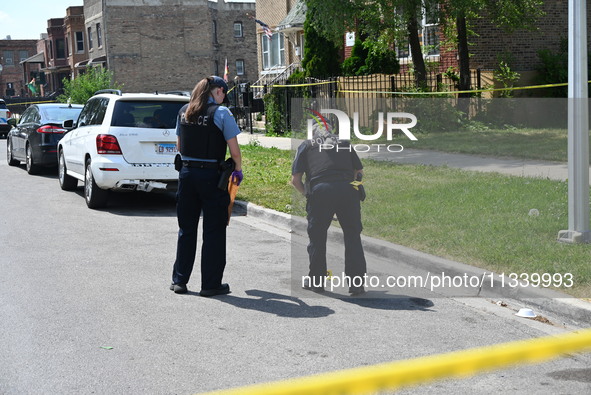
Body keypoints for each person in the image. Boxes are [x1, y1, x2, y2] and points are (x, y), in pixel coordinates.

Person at [170, 76, 243, 296]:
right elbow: (235, 150)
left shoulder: (184, 111)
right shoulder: (221, 114)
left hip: (187, 174)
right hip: (212, 177)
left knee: (186, 229)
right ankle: (210, 284)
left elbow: (180, 145)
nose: (224, 98)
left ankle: (180, 281)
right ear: (218, 91)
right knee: (213, 230)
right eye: (224, 94)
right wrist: (237, 170)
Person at [291, 123, 367, 296]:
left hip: (321, 191)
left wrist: (308, 195)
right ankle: (357, 284)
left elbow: (296, 180)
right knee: (352, 235)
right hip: (348, 190)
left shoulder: (306, 145)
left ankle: (316, 282)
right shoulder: (345, 144)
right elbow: (359, 171)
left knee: (317, 236)